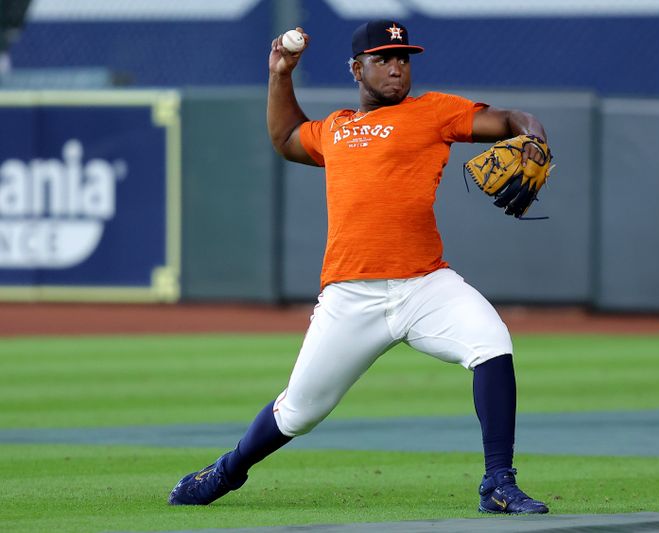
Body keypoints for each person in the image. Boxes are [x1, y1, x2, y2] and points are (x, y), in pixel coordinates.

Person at [168, 19, 550, 515]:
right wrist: (280, 73)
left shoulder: (433, 112)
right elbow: (285, 137)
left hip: (425, 285)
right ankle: (228, 469)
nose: (396, 69)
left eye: (403, 59)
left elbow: (513, 119)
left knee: (492, 342)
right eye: (383, 59)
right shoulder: (336, 128)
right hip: (351, 297)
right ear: (356, 69)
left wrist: (535, 140)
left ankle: (498, 482)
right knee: (300, 411)